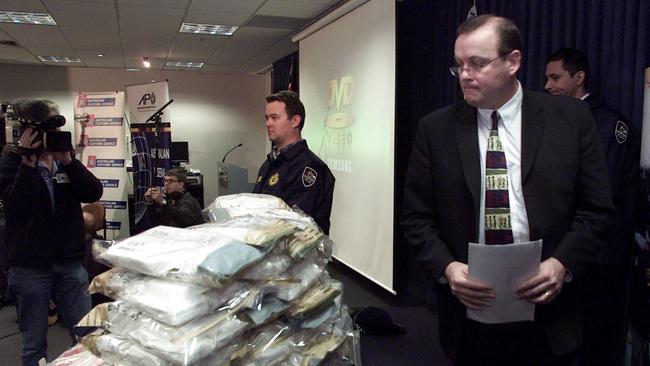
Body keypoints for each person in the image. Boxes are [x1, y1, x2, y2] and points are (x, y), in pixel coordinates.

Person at [401, 15, 613, 365]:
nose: (465, 74)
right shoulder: (435, 130)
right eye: (459, 65)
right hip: (470, 315)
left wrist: (562, 265)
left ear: (513, 61)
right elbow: (416, 218)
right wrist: (449, 268)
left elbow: (597, 210)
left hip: (551, 312)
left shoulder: (570, 119)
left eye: (477, 63)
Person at [545, 47, 641, 366]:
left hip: (597, 256)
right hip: (564, 252)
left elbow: (601, 195)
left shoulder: (609, 125)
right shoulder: (555, 120)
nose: (548, 85)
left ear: (579, 78)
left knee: (592, 344)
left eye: (555, 77)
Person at [0, 99, 103, 365]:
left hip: (69, 262)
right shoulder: (11, 162)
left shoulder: (63, 160)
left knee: (85, 333)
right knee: (34, 341)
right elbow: (16, 205)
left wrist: (69, 161)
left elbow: (93, 192)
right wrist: (28, 165)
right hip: (29, 266)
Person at [253, 91, 335, 234]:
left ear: (295, 121)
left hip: (297, 253)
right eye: (267, 118)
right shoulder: (269, 164)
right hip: (266, 249)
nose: (268, 123)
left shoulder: (310, 167)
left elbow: (295, 223)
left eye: (274, 118)